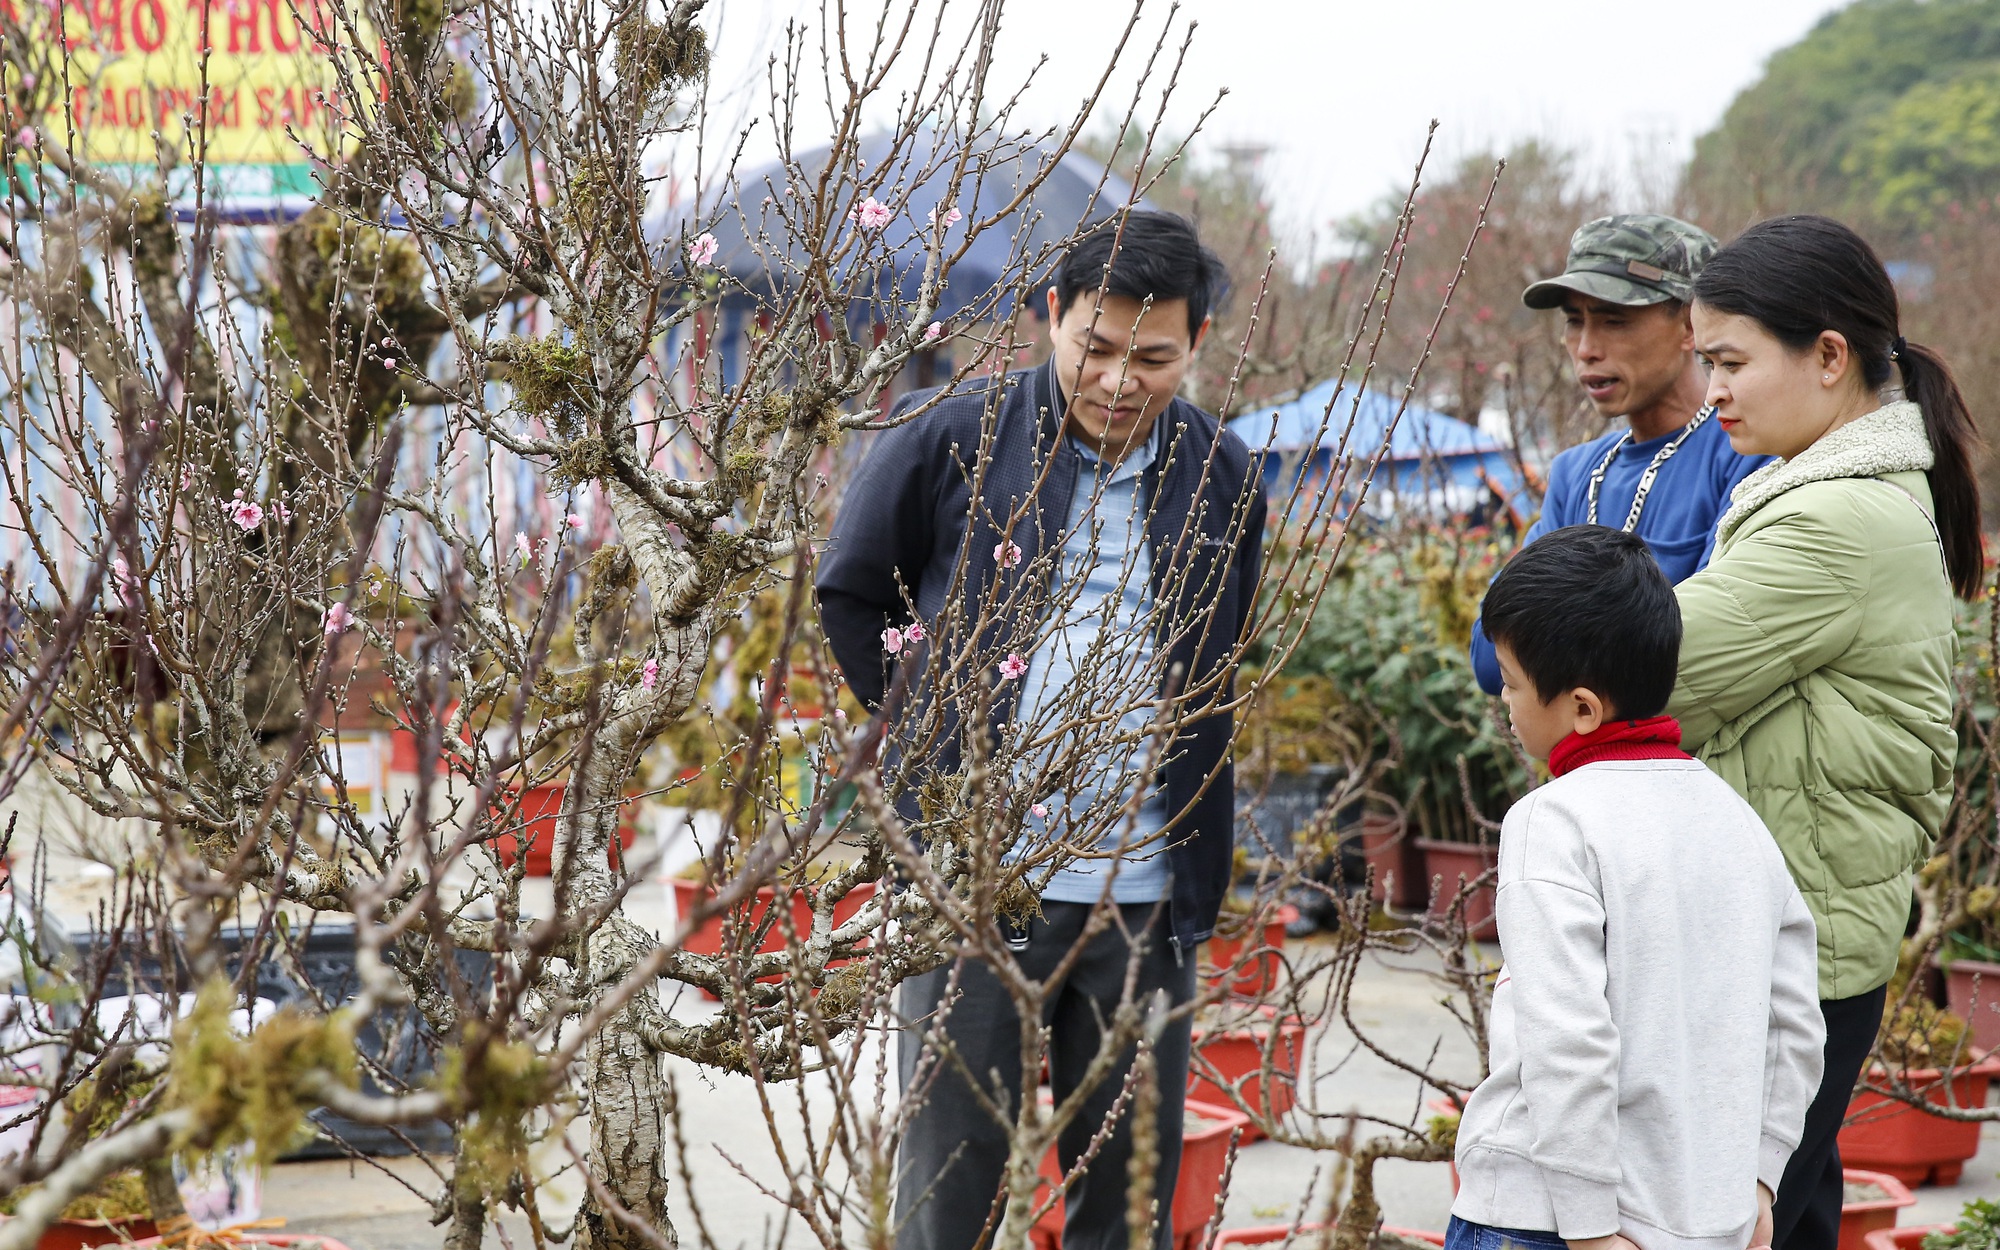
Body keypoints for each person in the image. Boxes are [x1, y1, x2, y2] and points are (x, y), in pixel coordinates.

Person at [816, 211, 1267, 1250]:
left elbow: (1222, 645)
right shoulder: (948, 436)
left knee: (1128, 1197)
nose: (1116, 380)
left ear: (1196, 343)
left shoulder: (1221, 472)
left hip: (1143, 890)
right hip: (974, 880)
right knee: (946, 1191)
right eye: (1093, 348)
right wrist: (928, 741)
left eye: (1151, 358)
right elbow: (849, 591)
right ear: (1050, 316)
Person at [1668, 215, 1981, 1248]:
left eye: (1727, 361)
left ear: (1828, 355)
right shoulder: (1822, 486)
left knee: (1731, 1214)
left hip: (1786, 936)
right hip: (1807, 921)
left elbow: (1649, 674)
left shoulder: (1829, 519)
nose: (1709, 390)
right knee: (1791, 1207)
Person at [1452, 524, 1824, 1250]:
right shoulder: (1736, 819)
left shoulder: (1551, 821)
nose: (1505, 704)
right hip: (1700, 1215)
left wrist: (1589, 1226)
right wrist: (1758, 1176)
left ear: (1583, 708)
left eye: (1514, 685)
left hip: (1544, 1218)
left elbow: (1566, 1034)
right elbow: (1795, 1024)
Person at [1469, 214, 1766, 696]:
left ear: (1691, 322)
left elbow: (1706, 655)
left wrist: (1553, 640)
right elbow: (1490, 659)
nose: (1586, 348)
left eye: (1615, 320)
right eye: (1573, 321)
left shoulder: (1746, 453)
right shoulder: (1575, 474)